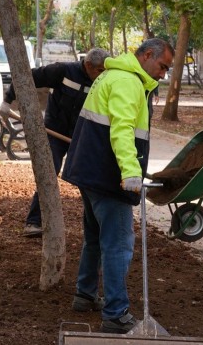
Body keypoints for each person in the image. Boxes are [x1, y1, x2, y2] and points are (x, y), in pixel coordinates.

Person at [61, 38, 174, 333]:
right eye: (162, 66)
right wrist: (131, 171)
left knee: (96, 237)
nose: (164, 74)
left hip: (90, 171)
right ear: (147, 55)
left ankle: (85, 293)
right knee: (119, 243)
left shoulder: (112, 74)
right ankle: (115, 313)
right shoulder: (127, 82)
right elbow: (122, 129)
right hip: (108, 176)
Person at [0, 48, 109, 239]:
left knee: (89, 178)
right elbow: (26, 77)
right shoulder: (63, 71)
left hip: (81, 137)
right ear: (89, 65)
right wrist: (8, 100)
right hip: (55, 134)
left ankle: (96, 225)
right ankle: (34, 222)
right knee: (49, 174)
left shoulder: (104, 80)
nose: (103, 74)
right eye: (100, 70)